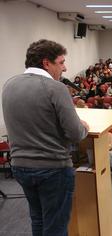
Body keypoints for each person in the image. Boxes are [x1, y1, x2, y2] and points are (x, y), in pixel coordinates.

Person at [2, 39, 89, 236]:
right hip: (52, 169)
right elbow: (75, 134)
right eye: (61, 62)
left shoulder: (9, 84)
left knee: (39, 220)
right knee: (56, 226)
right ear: (46, 63)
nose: (65, 68)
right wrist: (83, 126)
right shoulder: (55, 88)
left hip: (20, 166)